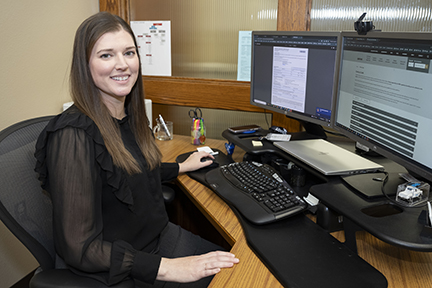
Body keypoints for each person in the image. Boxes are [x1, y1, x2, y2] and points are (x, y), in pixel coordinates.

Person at [34, 11, 239, 287]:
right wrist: (168, 268)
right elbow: (80, 248)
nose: (122, 65)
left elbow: (126, 171)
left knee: (239, 267)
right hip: (125, 267)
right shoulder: (73, 135)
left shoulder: (126, 114)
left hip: (158, 240)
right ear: (85, 64)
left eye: (129, 53)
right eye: (106, 55)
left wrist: (181, 166)